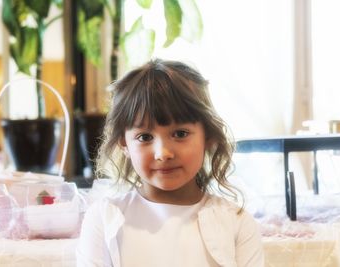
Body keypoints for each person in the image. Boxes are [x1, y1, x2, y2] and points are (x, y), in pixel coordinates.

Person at [76, 59, 264, 267]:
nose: (163, 153)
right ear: (124, 143)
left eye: (180, 134)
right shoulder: (104, 218)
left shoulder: (237, 223)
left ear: (207, 136)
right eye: (145, 137)